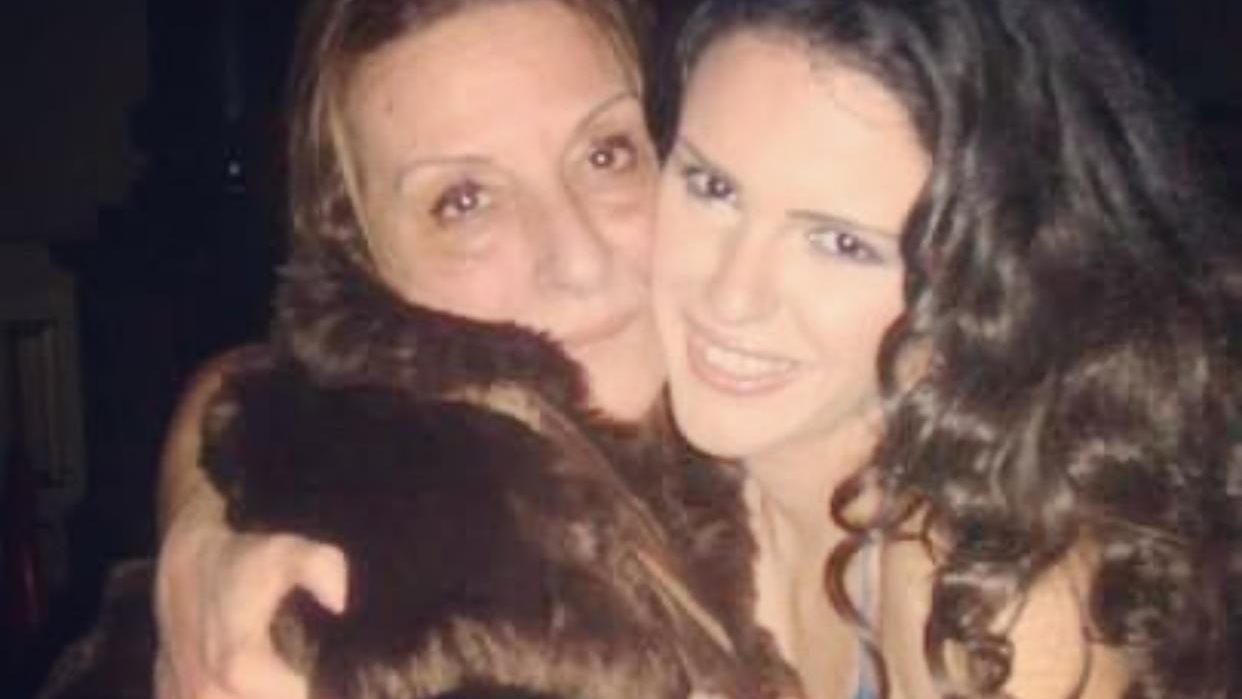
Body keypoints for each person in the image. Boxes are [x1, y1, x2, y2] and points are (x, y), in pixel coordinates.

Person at [651, 1, 1239, 699]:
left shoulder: (993, 605)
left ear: (984, 281)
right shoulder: (641, 477)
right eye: (713, 188)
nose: (732, 296)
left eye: (840, 244)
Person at [153, 1, 668, 697]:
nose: (579, 260)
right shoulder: (432, 630)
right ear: (359, 262)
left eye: (606, 153)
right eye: (465, 200)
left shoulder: (762, 390)